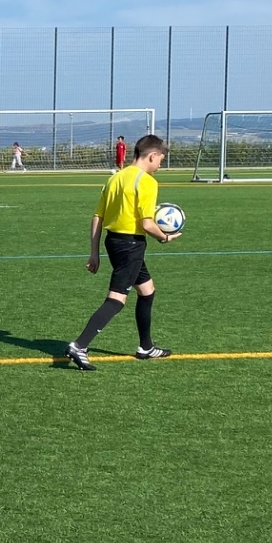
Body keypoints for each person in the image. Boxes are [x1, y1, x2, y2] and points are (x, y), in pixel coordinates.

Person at [65, 133, 179, 371]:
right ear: (152, 155)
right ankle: (79, 345)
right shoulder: (147, 182)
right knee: (116, 300)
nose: (160, 165)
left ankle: (146, 347)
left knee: (147, 290)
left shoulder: (115, 178)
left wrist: (94, 253)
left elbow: (98, 217)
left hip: (114, 242)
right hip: (131, 246)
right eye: (161, 160)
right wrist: (165, 237)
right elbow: (147, 224)